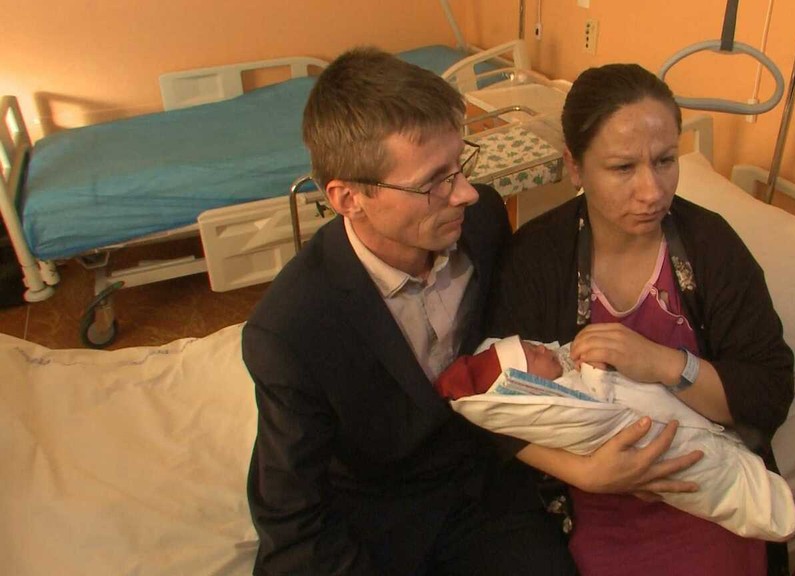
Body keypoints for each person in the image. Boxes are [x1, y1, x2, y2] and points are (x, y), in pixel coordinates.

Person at [243, 48, 696, 576]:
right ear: (348, 198)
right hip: (379, 514)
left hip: (487, 488)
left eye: (461, 165)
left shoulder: (480, 226)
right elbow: (293, 522)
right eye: (433, 182)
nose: (465, 193)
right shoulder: (292, 329)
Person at [487, 63, 795, 575]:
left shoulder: (710, 247)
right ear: (574, 167)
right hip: (585, 493)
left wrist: (667, 364)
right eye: (623, 168)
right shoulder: (537, 258)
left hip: (703, 488)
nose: (652, 191)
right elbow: (494, 404)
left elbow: (768, 395)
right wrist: (590, 474)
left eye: (665, 160)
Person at [434, 335, 795, 542]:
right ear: (526, 385)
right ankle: (764, 505)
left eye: (535, 345)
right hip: (636, 461)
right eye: (533, 354)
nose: (544, 348)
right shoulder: (553, 406)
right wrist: (597, 373)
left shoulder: (562, 374)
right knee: (711, 475)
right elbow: (592, 414)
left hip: (694, 423)